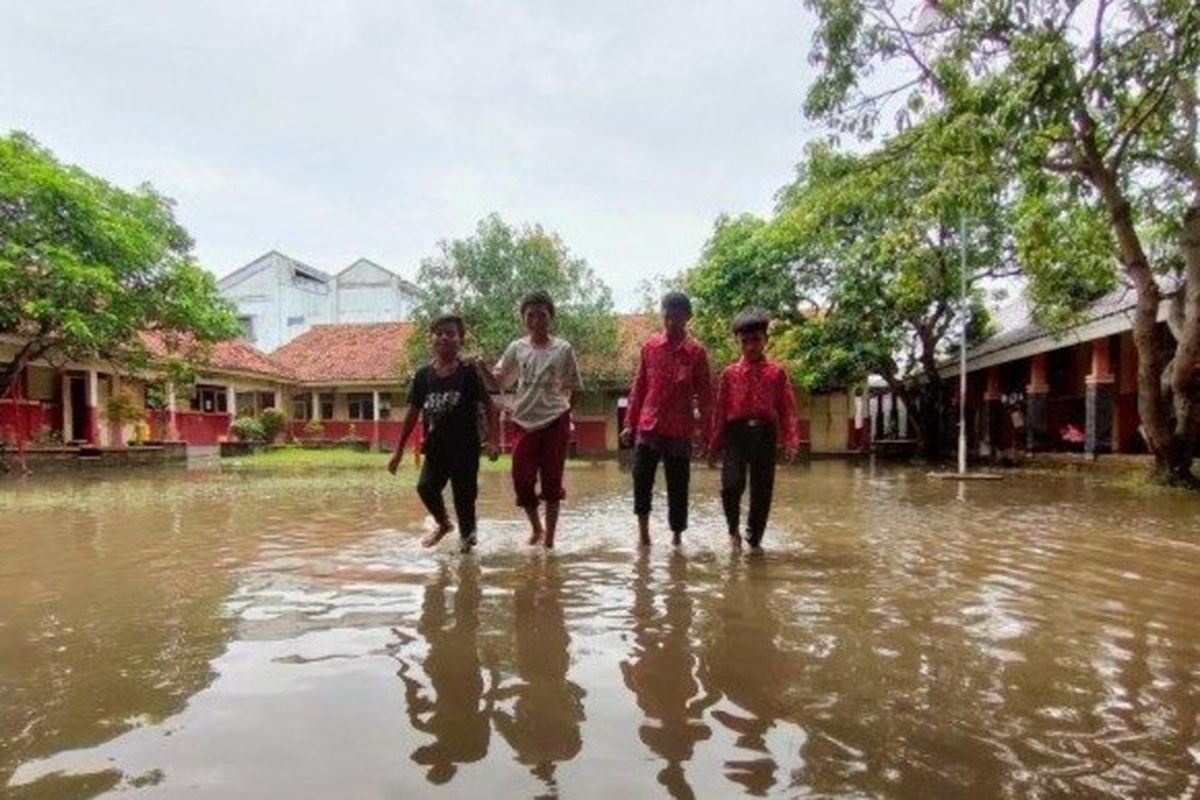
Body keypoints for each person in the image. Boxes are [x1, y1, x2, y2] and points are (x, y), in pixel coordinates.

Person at [389, 313, 498, 553]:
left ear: (461, 339)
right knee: (425, 488)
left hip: (466, 450)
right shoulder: (423, 376)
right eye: (438, 333)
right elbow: (412, 413)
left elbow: (491, 405)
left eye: (450, 333)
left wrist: (492, 440)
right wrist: (398, 452)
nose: (443, 338)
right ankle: (444, 524)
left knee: (464, 502)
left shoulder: (469, 372)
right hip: (436, 447)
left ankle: (468, 562)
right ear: (431, 339)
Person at [620, 291, 712, 548]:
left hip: (680, 430)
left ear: (688, 317)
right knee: (641, 479)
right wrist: (629, 423)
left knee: (678, 487)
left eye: (677, 317)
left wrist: (707, 433)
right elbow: (639, 387)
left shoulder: (696, 353)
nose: (671, 322)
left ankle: (676, 538)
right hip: (648, 426)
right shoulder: (650, 347)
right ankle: (644, 535)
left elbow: (705, 396)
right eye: (667, 316)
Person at [493, 290, 583, 550]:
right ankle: (537, 529)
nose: (536, 320)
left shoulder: (563, 349)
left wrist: (566, 413)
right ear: (523, 319)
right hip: (523, 421)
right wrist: (481, 369)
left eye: (542, 315)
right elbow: (500, 380)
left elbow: (576, 387)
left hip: (555, 421)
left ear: (550, 317)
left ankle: (550, 541)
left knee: (552, 482)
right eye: (530, 315)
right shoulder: (516, 348)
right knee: (522, 481)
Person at [708, 307, 800, 552]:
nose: (750, 346)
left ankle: (754, 539)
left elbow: (787, 409)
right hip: (735, 434)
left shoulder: (777, 373)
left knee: (762, 490)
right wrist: (714, 445)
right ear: (737, 341)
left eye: (756, 340)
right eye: (745, 341)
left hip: (765, 433)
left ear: (766, 340)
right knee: (730, 485)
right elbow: (719, 411)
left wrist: (791, 440)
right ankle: (733, 532)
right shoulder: (729, 374)